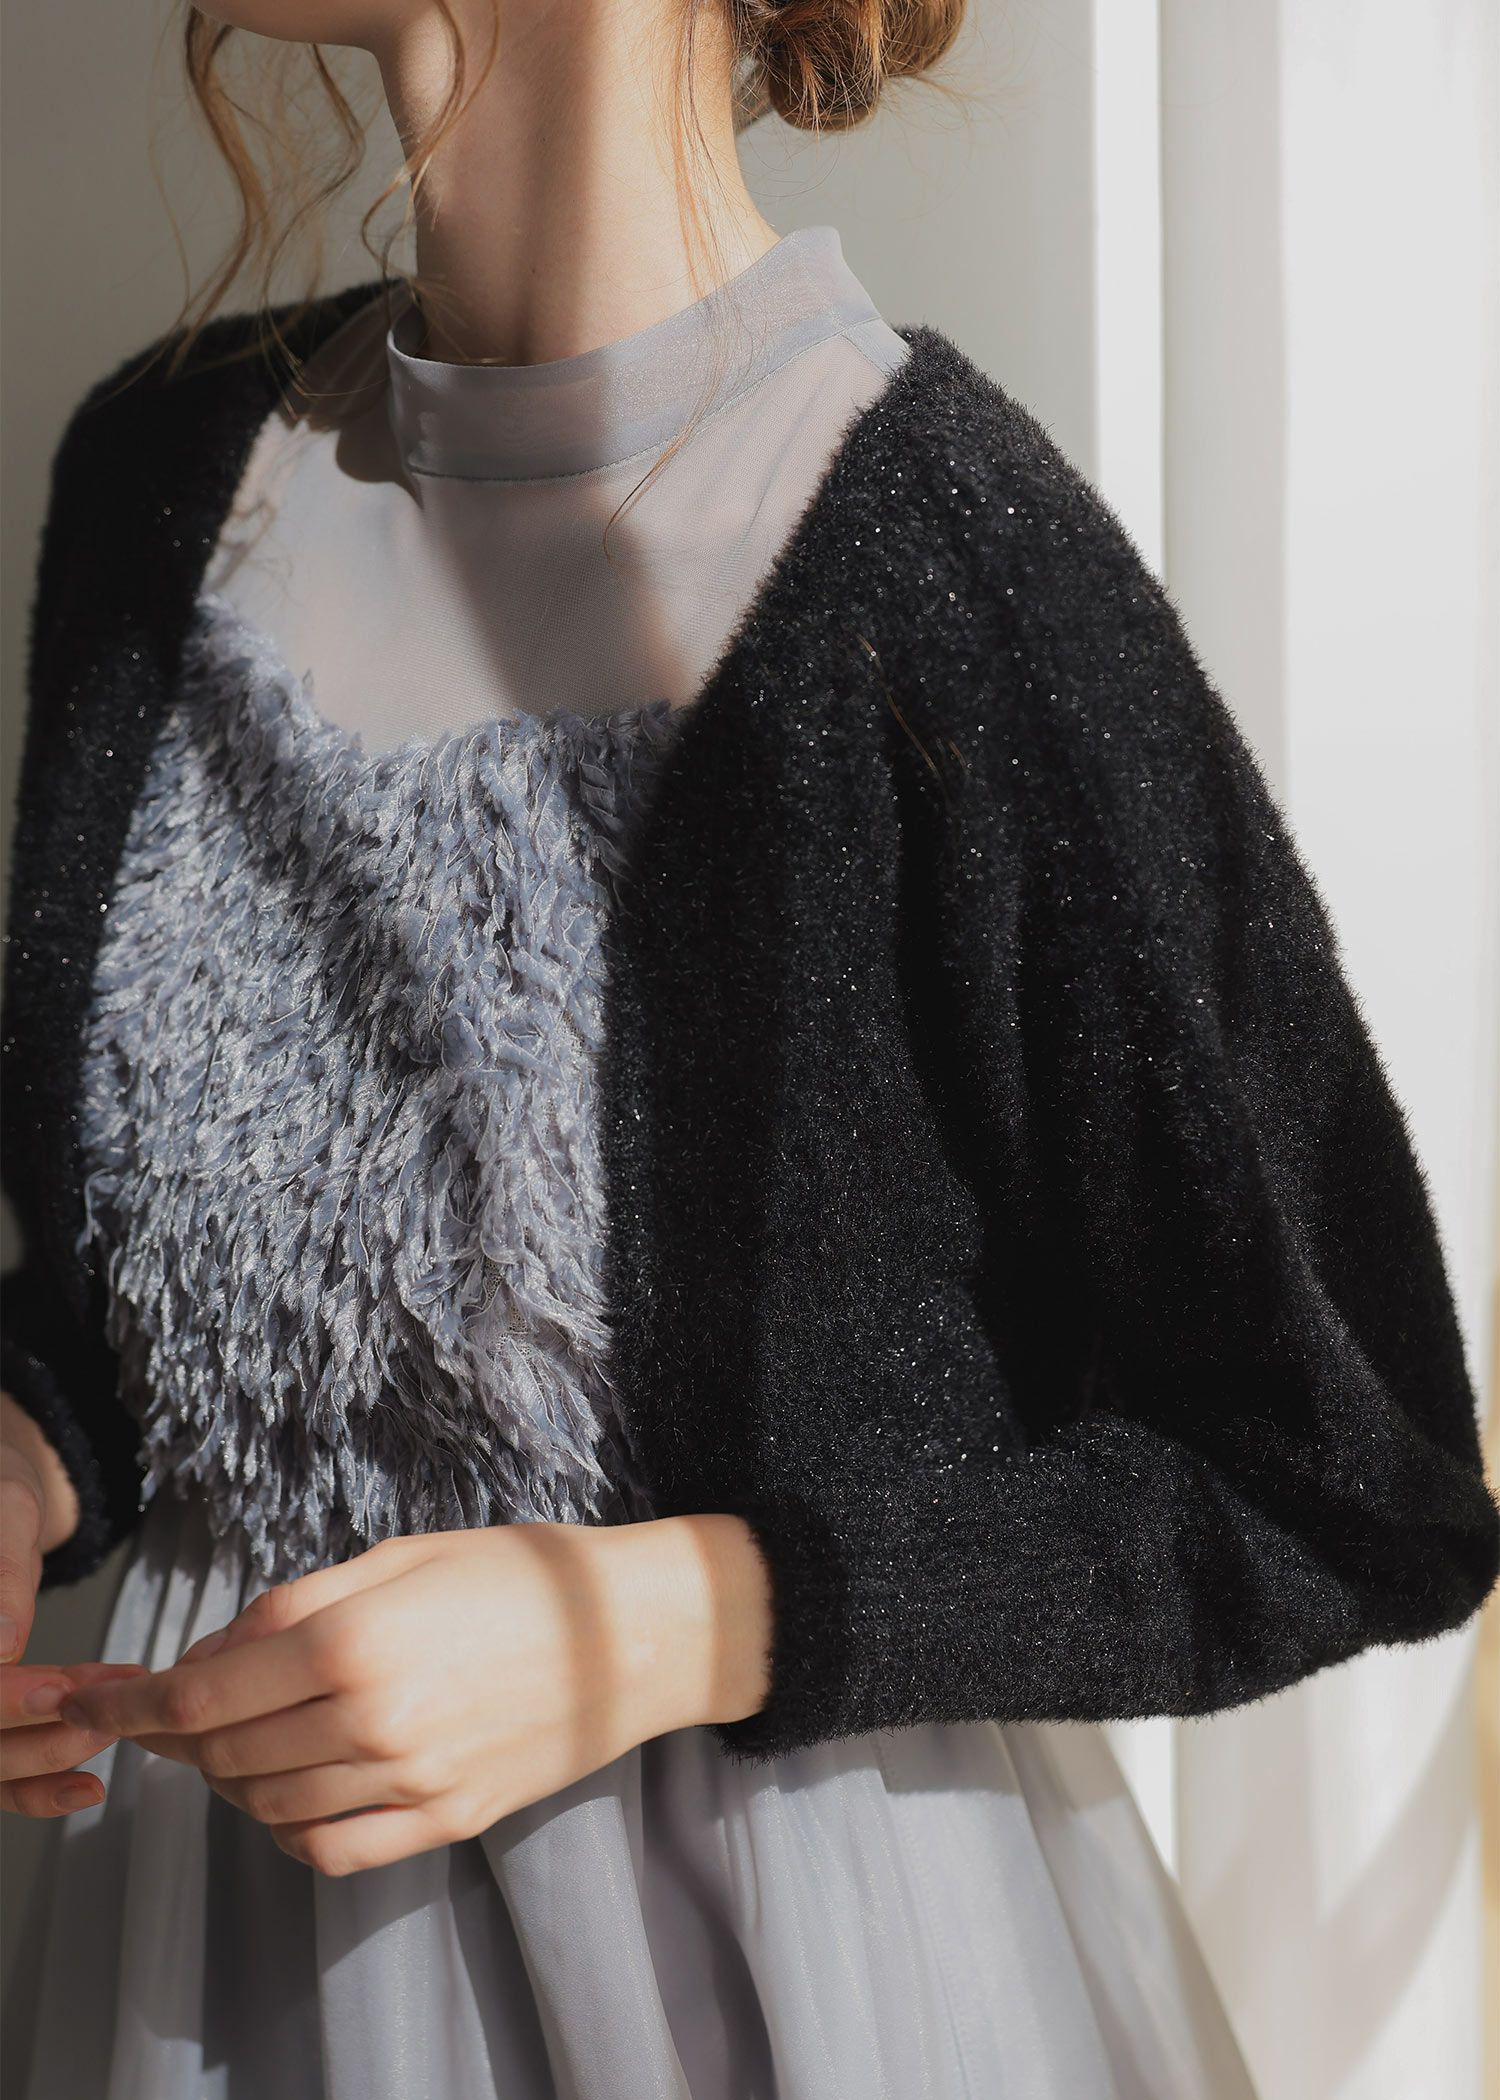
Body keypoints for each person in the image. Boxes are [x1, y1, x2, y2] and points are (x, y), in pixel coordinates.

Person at [2, 1, 1496, 2093]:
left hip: (774, 1995)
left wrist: (668, 1621)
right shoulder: (156, 483)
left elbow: (1353, 1485)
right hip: (181, 1959)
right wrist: (31, 1449)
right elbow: (178, 1294)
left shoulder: (943, 558)